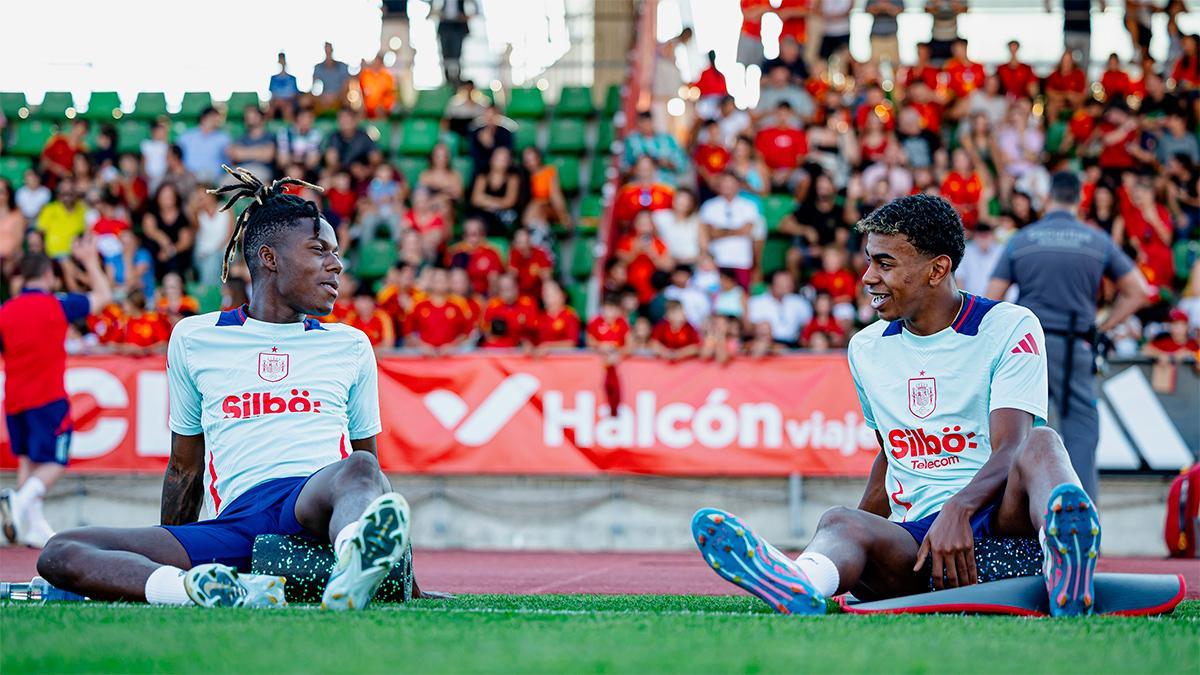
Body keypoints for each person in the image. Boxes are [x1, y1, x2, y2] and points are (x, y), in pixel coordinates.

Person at [695, 193, 1103, 618]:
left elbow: (1013, 447)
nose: (869, 277)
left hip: (1007, 534)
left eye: (885, 264)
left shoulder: (1010, 325)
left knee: (1042, 442)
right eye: (869, 261)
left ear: (937, 269)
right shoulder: (865, 348)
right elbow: (891, 457)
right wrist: (846, 536)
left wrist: (957, 509)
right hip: (922, 555)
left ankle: (1065, 561)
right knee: (839, 520)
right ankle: (803, 581)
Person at [36, 166, 422, 610]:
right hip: (235, 523)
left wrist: (407, 577)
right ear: (269, 257)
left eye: (336, 253)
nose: (337, 264)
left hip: (313, 503)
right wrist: (172, 550)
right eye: (319, 250)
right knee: (60, 552)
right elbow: (184, 470)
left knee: (357, 466)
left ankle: (356, 564)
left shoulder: (350, 344)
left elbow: (368, 477)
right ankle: (193, 591)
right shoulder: (194, 337)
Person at [987, 172, 1148, 500]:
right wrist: (1103, 326)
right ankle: (1082, 522)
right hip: (1077, 345)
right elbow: (1138, 291)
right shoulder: (1096, 241)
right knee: (1081, 437)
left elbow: (993, 296)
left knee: (1021, 434)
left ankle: (1023, 522)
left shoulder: (1022, 240)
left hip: (1028, 348)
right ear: (1080, 200)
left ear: (1047, 199)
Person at [0, 239, 112, 547]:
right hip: (47, 398)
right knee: (55, 462)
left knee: (29, 462)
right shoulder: (56, 304)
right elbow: (103, 296)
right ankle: (19, 501)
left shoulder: (5, 311)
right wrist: (89, 261)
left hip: (14, 401)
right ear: (49, 275)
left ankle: (29, 527)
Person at [699, 171, 764, 290]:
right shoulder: (709, 206)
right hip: (717, 260)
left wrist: (721, 231)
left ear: (738, 185)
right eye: (724, 182)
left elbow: (747, 230)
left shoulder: (749, 206)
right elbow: (711, 233)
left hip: (742, 260)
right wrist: (737, 230)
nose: (727, 186)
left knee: (741, 296)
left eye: (731, 183)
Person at [747, 270, 812, 347]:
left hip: (793, 344)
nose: (786, 285)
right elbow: (750, 329)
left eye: (789, 281)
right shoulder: (756, 302)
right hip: (768, 345)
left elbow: (807, 325)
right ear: (771, 285)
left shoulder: (800, 302)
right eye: (782, 282)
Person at [177, 108, 231, 185]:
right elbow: (176, 157)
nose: (215, 120)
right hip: (190, 176)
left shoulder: (223, 138)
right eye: (212, 117)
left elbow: (229, 160)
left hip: (214, 178)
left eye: (217, 117)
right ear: (203, 118)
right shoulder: (186, 136)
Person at [1050, 0, 1103, 74]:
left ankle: (1083, 82)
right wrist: (1048, 6)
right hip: (1070, 30)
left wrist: (1103, 6)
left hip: (1084, 31)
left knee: (1085, 65)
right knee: (1067, 63)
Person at [433, 0, 475, 86]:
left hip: (458, 27)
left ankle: (458, 78)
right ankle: (447, 79)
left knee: (457, 54)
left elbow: (474, 4)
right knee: (445, 55)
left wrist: (467, 16)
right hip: (444, 26)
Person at [311, 42, 351, 113]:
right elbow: (315, 87)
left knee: (347, 102)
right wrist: (323, 97)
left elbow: (346, 87)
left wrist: (336, 97)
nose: (328, 52)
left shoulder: (342, 66)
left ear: (332, 50)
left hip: (339, 97)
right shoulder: (318, 68)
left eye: (329, 49)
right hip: (322, 99)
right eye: (326, 49)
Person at [268, 52, 300, 121]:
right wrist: (278, 101)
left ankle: (288, 127)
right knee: (270, 109)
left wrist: (285, 101)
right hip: (276, 102)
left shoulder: (292, 78)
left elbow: (295, 94)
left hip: (289, 102)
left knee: (288, 108)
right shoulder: (273, 78)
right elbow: (272, 94)